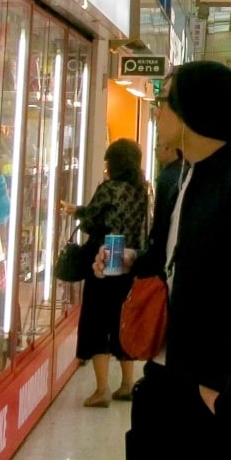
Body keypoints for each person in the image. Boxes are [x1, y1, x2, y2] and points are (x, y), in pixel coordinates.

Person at [107, 61, 231, 460]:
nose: (157, 113)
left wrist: (213, 384)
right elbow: (168, 260)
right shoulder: (183, 180)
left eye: (164, 104)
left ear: (192, 113)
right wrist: (129, 262)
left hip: (208, 383)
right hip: (167, 367)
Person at [68, 138, 149, 406]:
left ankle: (102, 388)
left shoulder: (109, 188)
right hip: (128, 260)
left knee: (96, 321)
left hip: (103, 260)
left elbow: (91, 220)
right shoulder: (142, 190)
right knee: (122, 320)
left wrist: (77, 212)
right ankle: (127, 384)